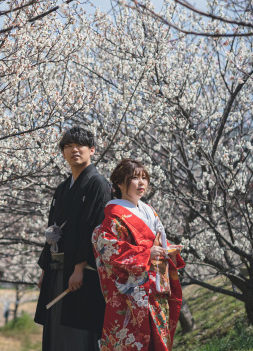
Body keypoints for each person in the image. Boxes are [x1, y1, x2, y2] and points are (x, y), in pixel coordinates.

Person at [92, 158, 185, 351]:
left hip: (156, 285)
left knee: (158, 341)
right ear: (119, 183)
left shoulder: (148, 209)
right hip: (133, 293)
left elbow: (155, 240)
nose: (141, 183)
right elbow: (106, 246)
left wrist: (168, 249)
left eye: (144, 178)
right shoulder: (113, 215)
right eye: (134, 178)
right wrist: (145, 254)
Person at [35, 126, 111, 351]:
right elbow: (53, 230)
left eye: (80, 146)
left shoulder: (98, 184)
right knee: (56, 326)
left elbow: (95, 228)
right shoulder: (61, 189)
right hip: (58, 266)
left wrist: (80, 267)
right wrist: (44, 270)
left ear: (92, 150)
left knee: (79, 328)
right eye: (68, 146)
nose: (74, 150)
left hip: (82, 270)